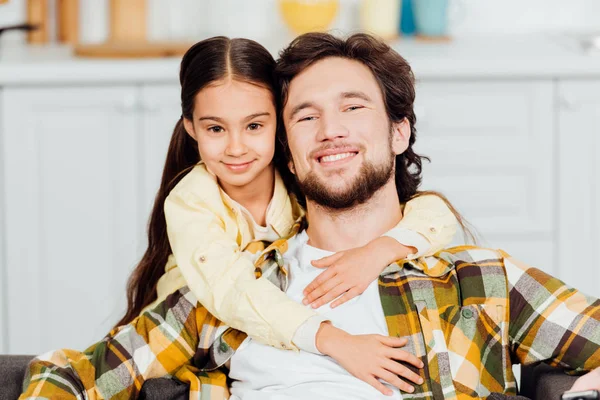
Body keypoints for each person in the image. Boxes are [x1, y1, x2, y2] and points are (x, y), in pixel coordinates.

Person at [20, 32, 600, 399]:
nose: (331, 129)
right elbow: (67, 377)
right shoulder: (227, 295)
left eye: (353, 106)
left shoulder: (480, 279)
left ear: (399, 132)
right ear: (288, 156)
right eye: (305, 117)